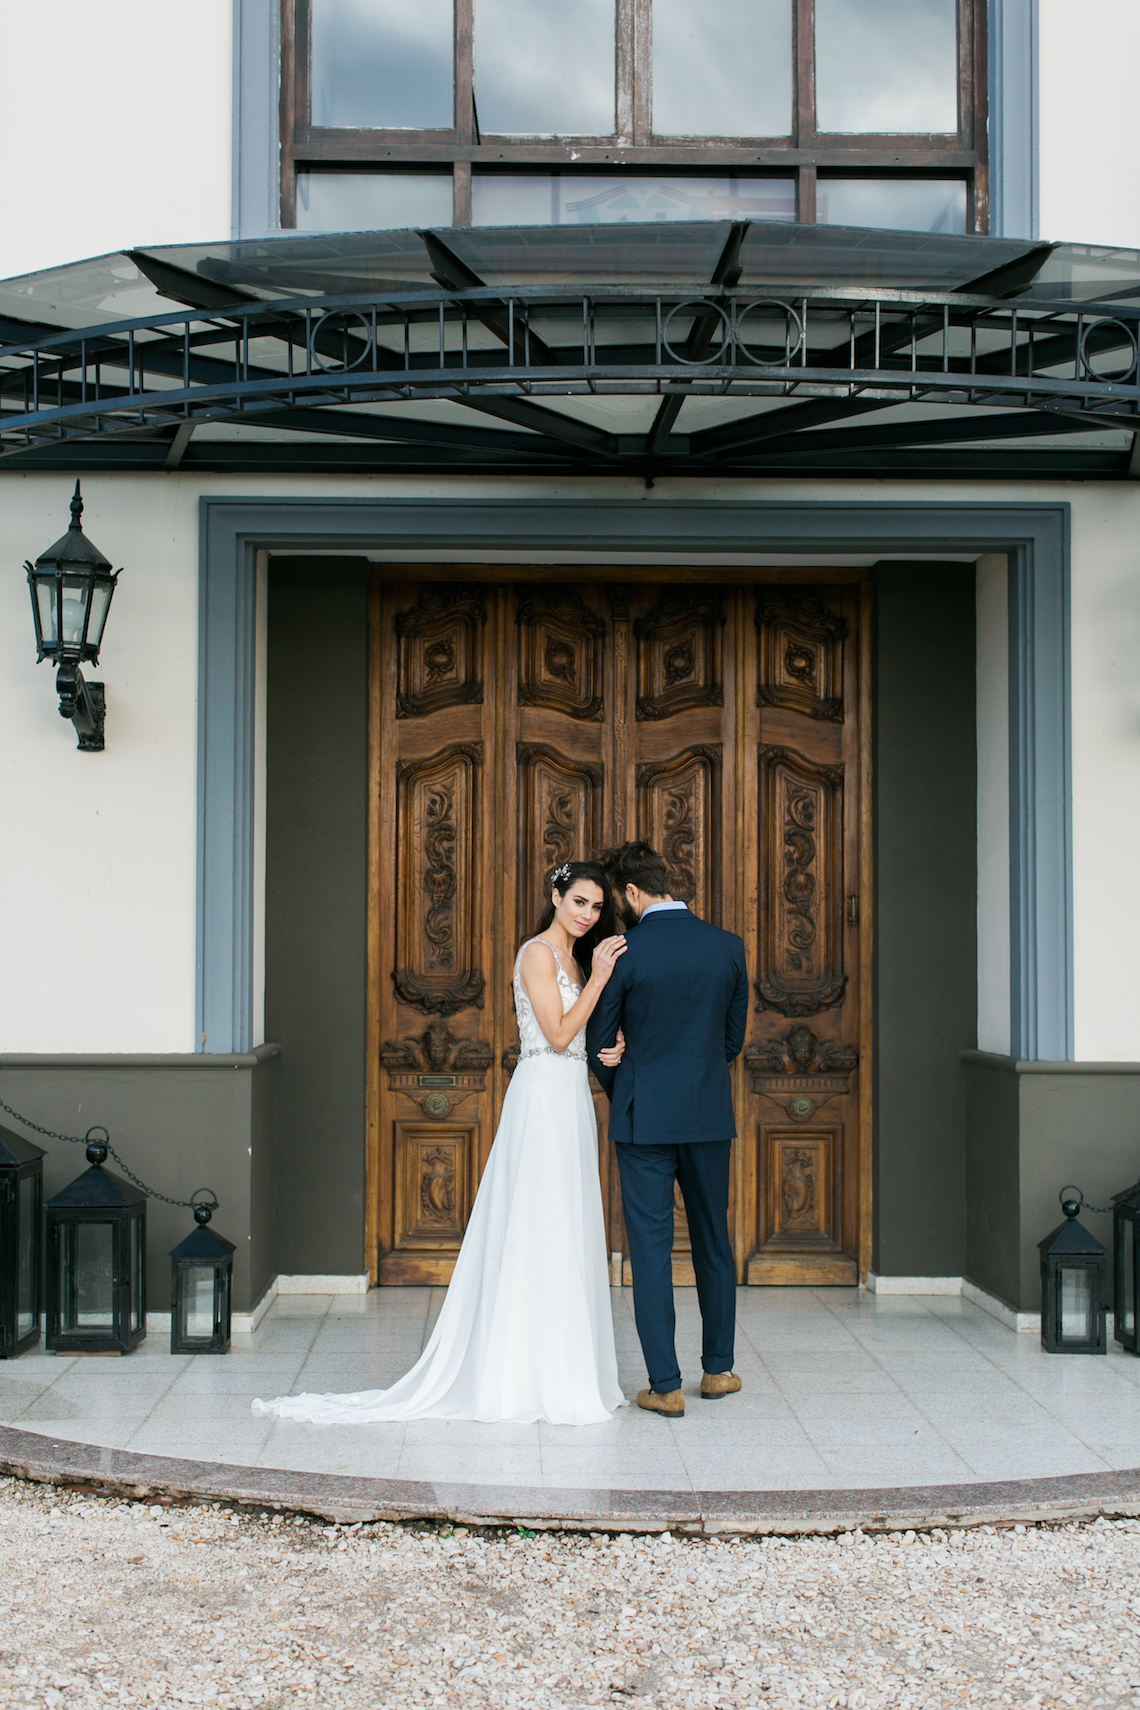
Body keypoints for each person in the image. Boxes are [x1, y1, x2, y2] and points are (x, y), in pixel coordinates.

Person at [253, 861, 629, 1426]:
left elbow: (574, 1033)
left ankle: (562, 1366)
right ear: (556, 896)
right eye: (579, 902)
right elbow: (554, 1034)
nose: (588, 915)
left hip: (570, 1093)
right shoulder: (536, 954)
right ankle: (520, 1375)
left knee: (564, 1222)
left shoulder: (573, 959)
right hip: (542, 1096)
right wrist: (599, 980)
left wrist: (611, 1044)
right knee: (536, 1220)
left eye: (597, 908)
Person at [586, 841, 749, 1419]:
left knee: (651, 1252)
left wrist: (626, 1091)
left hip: (643, 1120)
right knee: (712, 1240)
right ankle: (719, 1370)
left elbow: (598, 1045)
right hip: (707, 1116)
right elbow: (731, 1043)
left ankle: (665, 1384)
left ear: (631, 892)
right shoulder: (728, 948)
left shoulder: (623, 954)